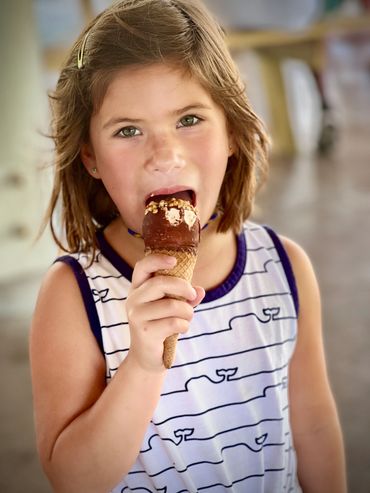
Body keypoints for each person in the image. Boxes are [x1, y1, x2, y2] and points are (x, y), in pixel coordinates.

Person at [29, 1, 347, 492]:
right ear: (90, 157)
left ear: (232, 133)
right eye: (128, 130)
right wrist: (142, 365)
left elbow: (315, 429)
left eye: (189, 120)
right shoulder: (72, 295)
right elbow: (74, 479)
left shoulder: (284, 268)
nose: (164, 155)